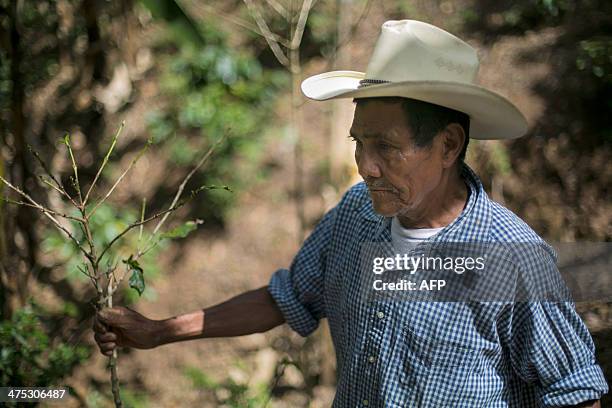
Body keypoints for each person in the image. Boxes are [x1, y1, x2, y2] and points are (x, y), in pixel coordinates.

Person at [94, 20, 608, 407]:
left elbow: (574, 391)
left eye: (386, 147)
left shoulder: (510, 257)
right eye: (359, 143)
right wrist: (162, 331)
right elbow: (287, 297)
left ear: (449, 145)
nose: (366, 166)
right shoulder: (355, 217)